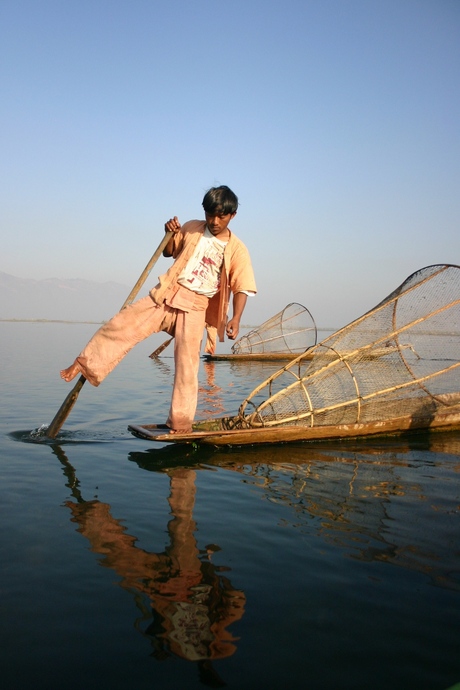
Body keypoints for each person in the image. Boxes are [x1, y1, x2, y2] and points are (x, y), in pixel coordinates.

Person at [60, 185, 257, 433]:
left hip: (196, 308)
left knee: (187, 369)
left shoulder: (237, 248)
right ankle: (85, 362)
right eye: (210, 214)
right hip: (167, 295)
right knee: (122, 323)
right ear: (204, 212)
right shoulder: (192, 227)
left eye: (221, 216)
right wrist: (167, 233)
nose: (214, 221)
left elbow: (242, 287)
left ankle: (180, 424)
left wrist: (236, 318)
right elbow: (169, 251)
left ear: (232, 215)